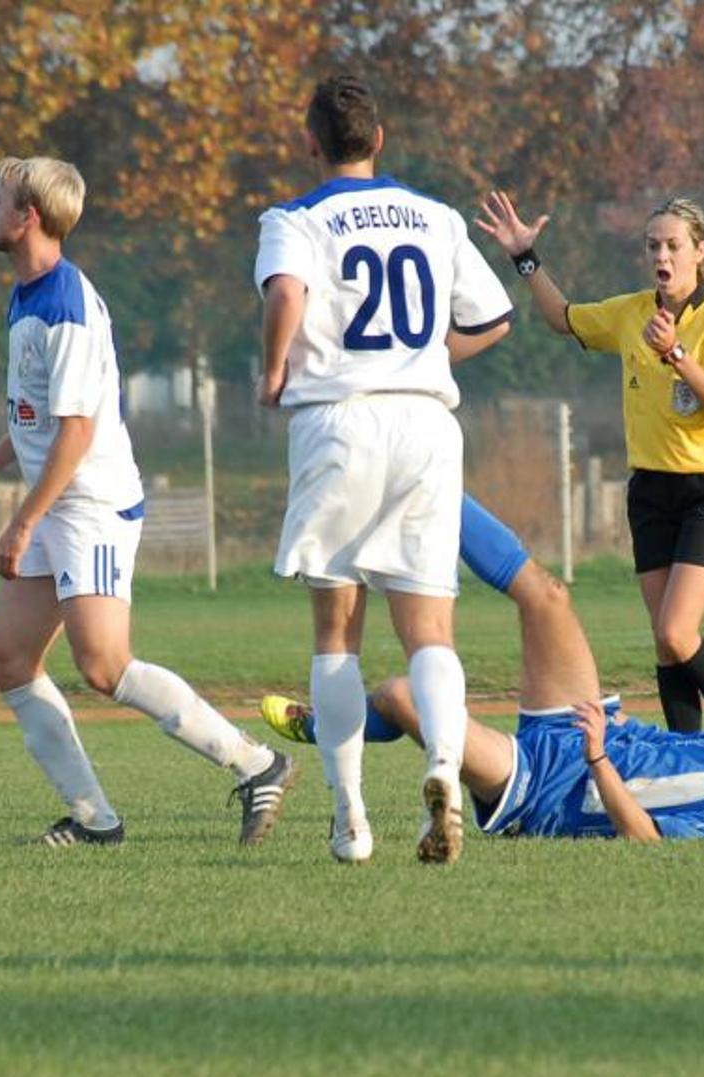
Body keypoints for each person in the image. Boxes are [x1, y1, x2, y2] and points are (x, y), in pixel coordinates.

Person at [0, 155, 296, 849]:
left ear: (29, 218)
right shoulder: (27, 293)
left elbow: (78, 433)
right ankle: (94, 821)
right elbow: (41, 409)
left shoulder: (66, 305)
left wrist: (21, 525)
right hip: (56, 501)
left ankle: (257, 764)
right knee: (11, 663)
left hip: (91, 505)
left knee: (104, 666)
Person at [254, 74, 514, 864]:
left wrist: (272, 371)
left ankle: (350, 817)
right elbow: (493, 319)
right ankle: (442, 763)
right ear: (381, 138)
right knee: (429, 628)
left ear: (310, 143)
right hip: (427, 424)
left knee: (337, 629)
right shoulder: (435, 216)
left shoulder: (293, 217)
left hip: (339, 419)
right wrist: (426, 357)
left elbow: (288, 295)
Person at [263, 499, 704, 841]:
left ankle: (324, 726)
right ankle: (431, 476)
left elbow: (647, 839)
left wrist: (599, 759)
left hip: (542, 785)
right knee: (547, 595)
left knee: (400, 695)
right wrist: (608, 736)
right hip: (588, 723)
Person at [476, 192, 704, 735]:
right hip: (651, 489)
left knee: (678, 632)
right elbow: (561, 318)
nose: (662, 256)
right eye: (653, 245)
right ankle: (684, 760)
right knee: (665, 643)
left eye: (674, 245)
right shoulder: (631, 312)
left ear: (699, 251)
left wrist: (676, 354)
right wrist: (525, 256)